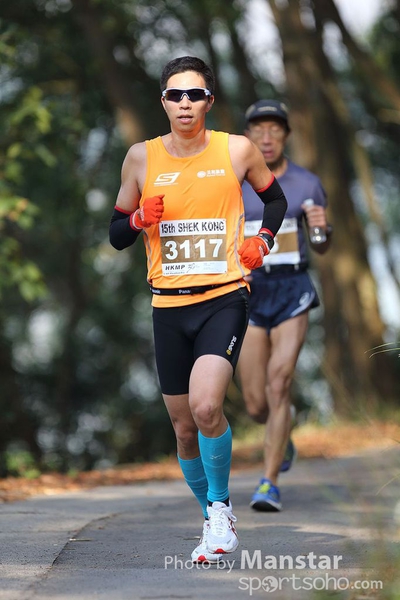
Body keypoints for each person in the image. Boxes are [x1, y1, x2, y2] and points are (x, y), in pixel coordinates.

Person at [109, 59, 288, 562]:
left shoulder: (236, 149)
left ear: (209, 100)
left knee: (207, 407)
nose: (184, 103)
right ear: (163, 102)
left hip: (224, 297)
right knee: (184, 429)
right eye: (175, 95)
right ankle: (212, 515)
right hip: (168, 306)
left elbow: (275, 201)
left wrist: (263, 239)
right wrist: (138, 219)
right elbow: (116, 234)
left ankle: (221, 509)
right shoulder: (140, 158)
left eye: (194, 94)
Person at [237, 99, 332, 512]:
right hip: (250, 290)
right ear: (247, 136)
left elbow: (322, 244)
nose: (267, 137)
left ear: (286, 136)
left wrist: (322, 231)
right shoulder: (234, 180)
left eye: (275, 129)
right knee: (256, 402)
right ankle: (283, 427)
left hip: (292, 288)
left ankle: (268, 482)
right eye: (259, 129)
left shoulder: (307, 183)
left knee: (280, 383)